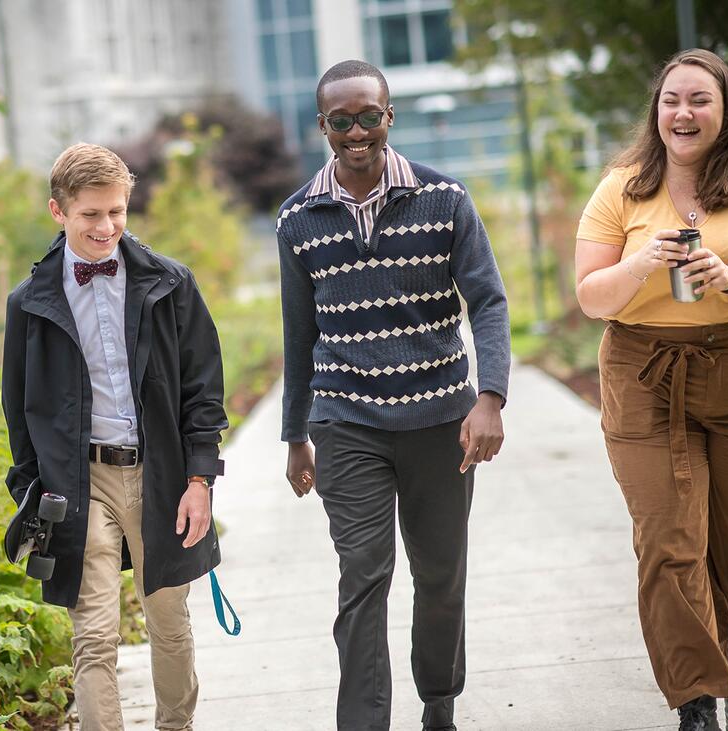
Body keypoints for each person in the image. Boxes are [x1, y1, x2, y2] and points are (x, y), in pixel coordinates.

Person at [575, 49, 728, 731]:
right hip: (644, 377)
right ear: (657, 109)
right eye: (672, 99)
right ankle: (694, 702)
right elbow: (591, 296)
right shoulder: (623, 186)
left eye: (700, 99)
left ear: (726, 108)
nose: (684, 112)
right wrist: (646, 259)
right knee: (670, 542)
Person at [277, 59, 511, 731]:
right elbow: (299, 335)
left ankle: (439, 704)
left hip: (441, 419)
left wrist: (489, 395)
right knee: (363, 574)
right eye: (341, 120)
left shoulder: (446, 201)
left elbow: (488, 302)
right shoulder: (299, 219)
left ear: (389, 117)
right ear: (323, 126)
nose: (357, 132)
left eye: (369, 116)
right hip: (346, 421)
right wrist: (296, 435)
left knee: (440, 575)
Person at [1, 143, 229, 731]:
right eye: (91, 215)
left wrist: (200, 479)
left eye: (118, 212)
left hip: (161, 476)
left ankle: (175, 725)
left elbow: (203, 390)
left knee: (169, 623)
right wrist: (34, 493)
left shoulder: (170, 284)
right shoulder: (29, 304)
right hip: (80, 484)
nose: (107, 228)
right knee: (94, 635)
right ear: (58, 212)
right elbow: (17, 410)